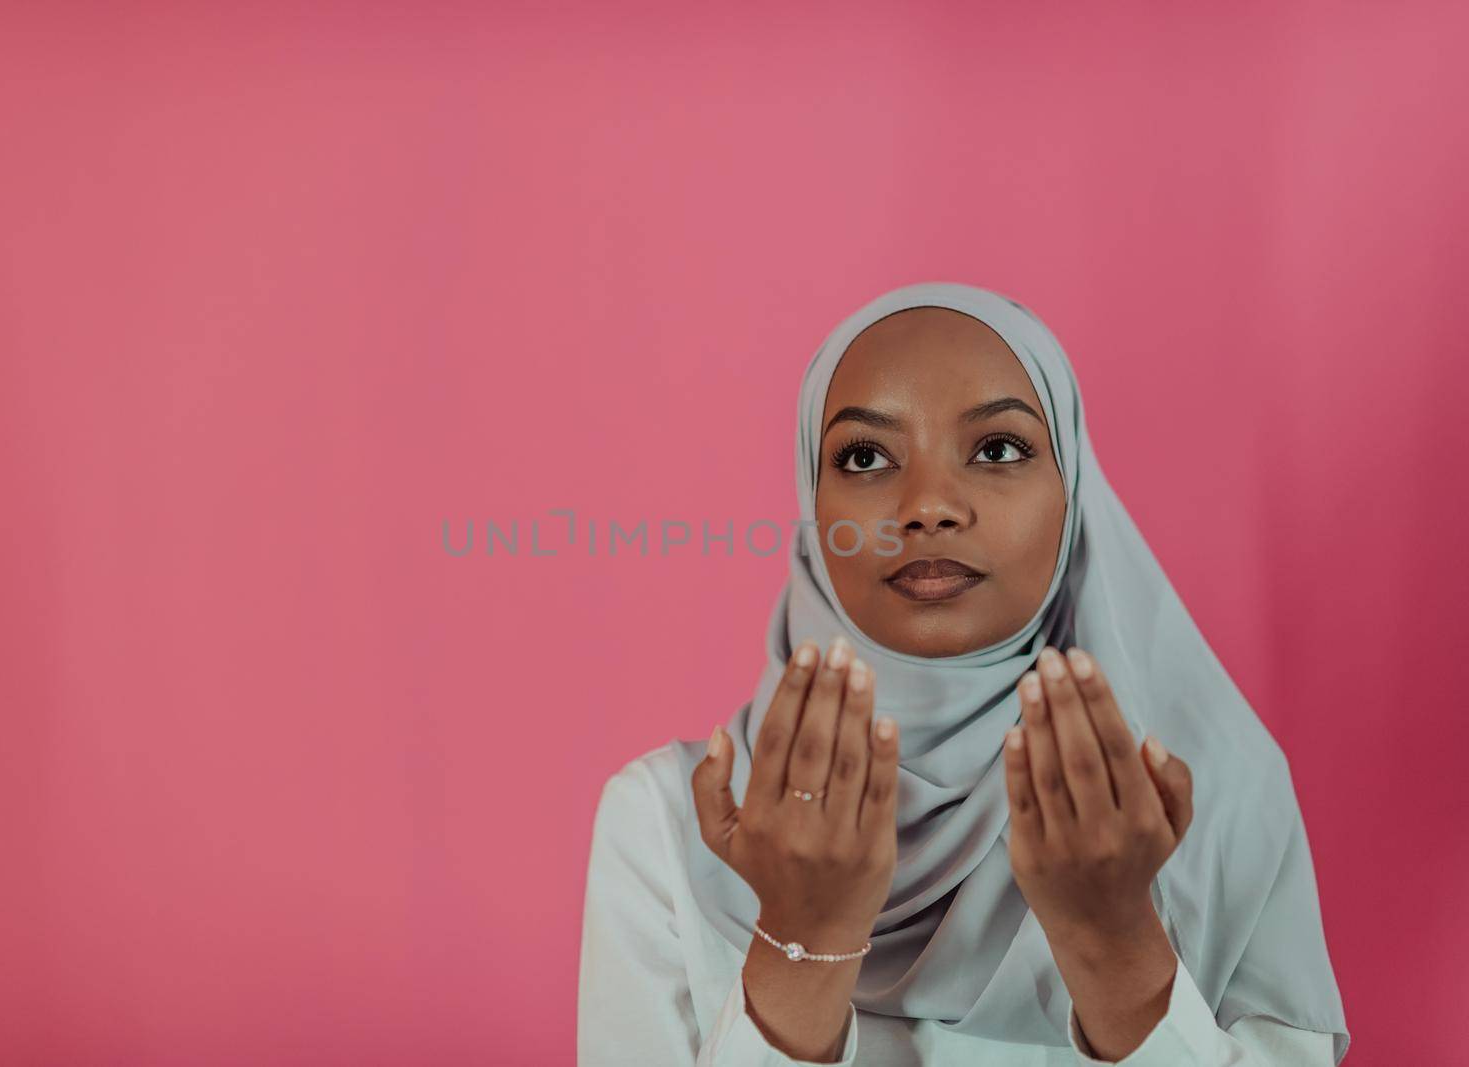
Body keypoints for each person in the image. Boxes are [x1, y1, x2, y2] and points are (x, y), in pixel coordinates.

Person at [577, 282, 1350, 1065]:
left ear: (1073, 490)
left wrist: (1117, 946)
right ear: (812, 504)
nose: (930, 505)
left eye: (998, 448)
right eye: (866, 456)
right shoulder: (670, 828)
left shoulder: (1209, 805)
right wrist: (803, 940)